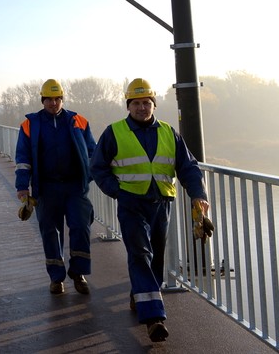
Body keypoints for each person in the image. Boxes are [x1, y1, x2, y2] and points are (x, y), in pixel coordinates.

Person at [90, 78, 210, 343]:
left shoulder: (169, 132)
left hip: (161, 203)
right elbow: (98, 167)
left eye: (147, 103)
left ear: (153, 104)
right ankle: (154, 317)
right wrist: (116, 190)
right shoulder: (114, 132)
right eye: (136, 103)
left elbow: (188, 167)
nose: (142, 108)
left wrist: (198, 196)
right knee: (140, 253)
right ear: (128, 105)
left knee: (155, 256)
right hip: (131, 203)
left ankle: (141, 294)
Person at [15, 79, 96, 295]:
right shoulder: (30, 124)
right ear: (42, 100)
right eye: (49, 99)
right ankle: (56, 277)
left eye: (57, 98)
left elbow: (92, 152)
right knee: (50, 232)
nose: (53, 103)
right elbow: (23, 157)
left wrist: (88, 176)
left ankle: (78, 274)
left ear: (62, 99)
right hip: (46, 188)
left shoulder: (78, 121)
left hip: (74, 188)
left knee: (80, 227)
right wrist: (23, 186)